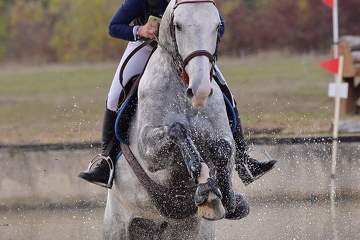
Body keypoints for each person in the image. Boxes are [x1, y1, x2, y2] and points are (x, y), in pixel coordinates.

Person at [79, 0, 276, 189]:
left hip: (186, 52)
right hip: (145, 46)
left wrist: (203, 34)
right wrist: (139, 30)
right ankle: (106, 161)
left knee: (224, 90)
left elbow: (219, 25)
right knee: (115, 95)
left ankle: (243, 160)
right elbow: (114, 27)